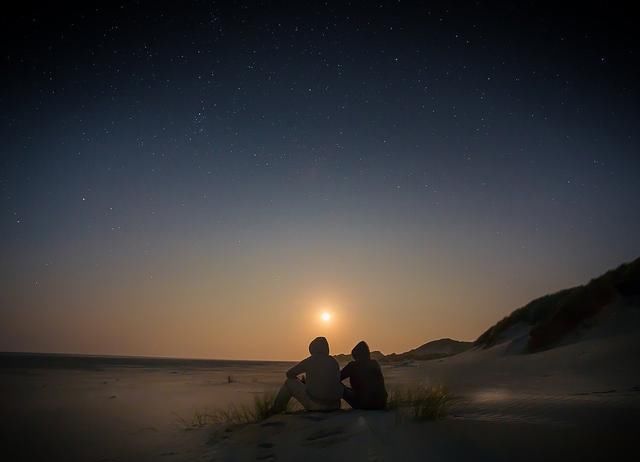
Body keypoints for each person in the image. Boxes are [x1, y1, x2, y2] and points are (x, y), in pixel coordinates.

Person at [271, 337, 342, 413]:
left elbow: (289, 374)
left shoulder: (311, 360)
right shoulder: (334, 362)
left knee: (289, 382)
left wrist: (301, 382)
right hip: (335, 405)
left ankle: (276, 410)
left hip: (317, 406)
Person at [340, 340, 387, 409]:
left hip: (364, 404)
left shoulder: (353, 365)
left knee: (338, 386)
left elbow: (337, 377)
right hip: (381, 404)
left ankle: (328, 406)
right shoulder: (374, 363)